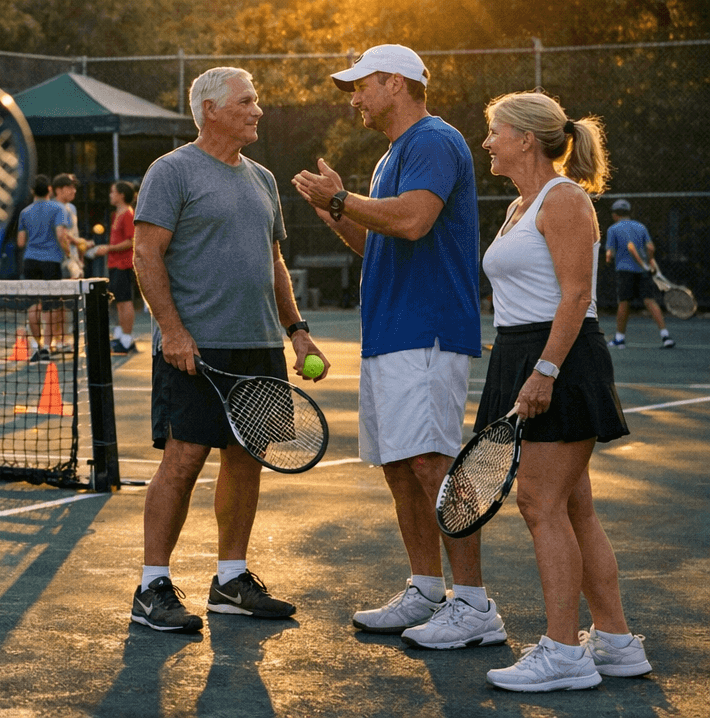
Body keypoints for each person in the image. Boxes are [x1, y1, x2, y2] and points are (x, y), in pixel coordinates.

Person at [291, 44, 500, 649]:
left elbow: (412, 221)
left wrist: (339, 199)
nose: (353, 98)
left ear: (396, 83)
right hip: (389, 333)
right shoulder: (391, 156)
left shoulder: (434, 140)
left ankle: (475, 604)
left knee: (432, 462)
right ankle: (427, 588)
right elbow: (376, 243)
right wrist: (335, 212)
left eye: (361, 86)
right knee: (400, 465)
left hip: (427, 330)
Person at [131, 67, 327, 633]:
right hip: (194, 348)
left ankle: (231, 579)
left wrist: (297, 330)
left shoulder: (262, 179)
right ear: (211, 109)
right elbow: (147, 255)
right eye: (247, 101)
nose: (257, 110)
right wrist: (172, 329)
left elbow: (274, 262)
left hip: (259, 345)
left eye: (256, 101)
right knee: (184, 460)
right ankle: (150, 587)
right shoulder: (171, 171)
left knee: (246, 460)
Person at [476, 92, 650, 691]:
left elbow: (576, 295)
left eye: (495, 131)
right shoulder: (519, 206)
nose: (488, 142)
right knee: (574, 506)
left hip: (559, 359)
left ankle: (563, 653)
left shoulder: (565, 199)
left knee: (538, 505)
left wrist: (544, 372)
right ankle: (618, 642)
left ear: (526, 138)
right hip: (524, 353)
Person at [16, 175, 73, 361]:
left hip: (30, 261)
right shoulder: (58, 208)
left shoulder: (25, 212)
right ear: (49, 189)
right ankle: (47, 348)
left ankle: (37, 345)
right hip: (51, 262)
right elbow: (60, 234)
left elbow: (21, 241)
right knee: (50, 306)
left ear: (33, 191)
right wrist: (69, 254)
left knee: (34, 305)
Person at [603, 199, 674, 349]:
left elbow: (609, 254)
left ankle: (619, 339)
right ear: (629, 213)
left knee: (624, 303)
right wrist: (648, 262)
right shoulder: (641, 227)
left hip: (624, 271)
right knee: (650, 301)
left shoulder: (613, 229)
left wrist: (609, 258)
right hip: (643, 271)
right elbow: (650, 248)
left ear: (615, 215)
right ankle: (665, 336)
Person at [89, 180, 139, 354]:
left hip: (123, 264)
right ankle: (121, 336)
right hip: (114, 264)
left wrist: (107, 248)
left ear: (121, 195)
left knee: (125, 301)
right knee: (118, 301)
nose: (110, 195)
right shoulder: (116, 214)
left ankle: (127, 339)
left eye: (112, 192)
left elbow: (130, 241)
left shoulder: (128, 214)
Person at [52, 173, 88, 281]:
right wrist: (77, 241)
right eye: (69, 187)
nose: (74, 191)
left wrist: (80, 258)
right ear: (58, 190)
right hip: (59, 260)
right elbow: (61, 234)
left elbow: (73, 233)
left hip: (73, 260)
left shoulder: (72, 208)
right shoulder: (52, 207)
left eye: (74, 187)